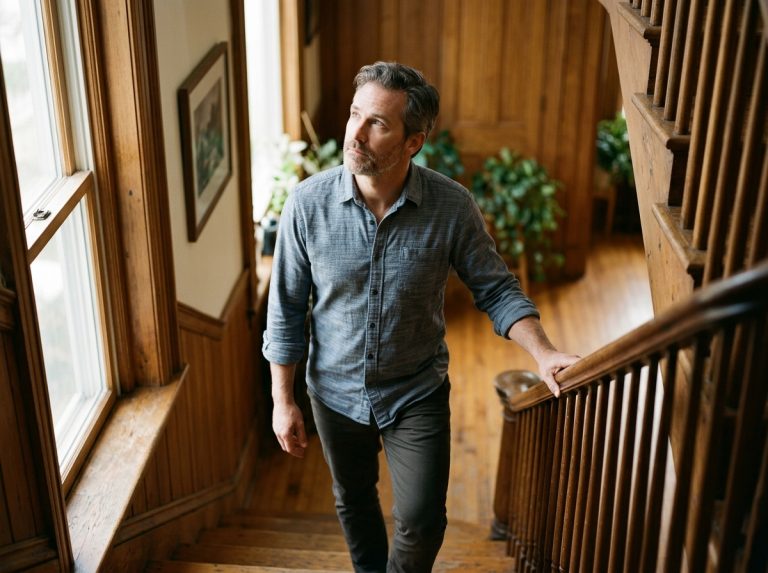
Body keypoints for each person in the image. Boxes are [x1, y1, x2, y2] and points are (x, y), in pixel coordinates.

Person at [263, 61, 579, 573]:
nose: (355, 134)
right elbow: (286, 312)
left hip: (416, 390)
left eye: (378, 124)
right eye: (354, 115)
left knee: (422, 519)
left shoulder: (452, 207)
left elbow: (496, 288)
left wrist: (543, 353)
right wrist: (283, 400)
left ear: (414, 141)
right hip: (334, 391)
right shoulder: (306, 206)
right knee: (353, 498)